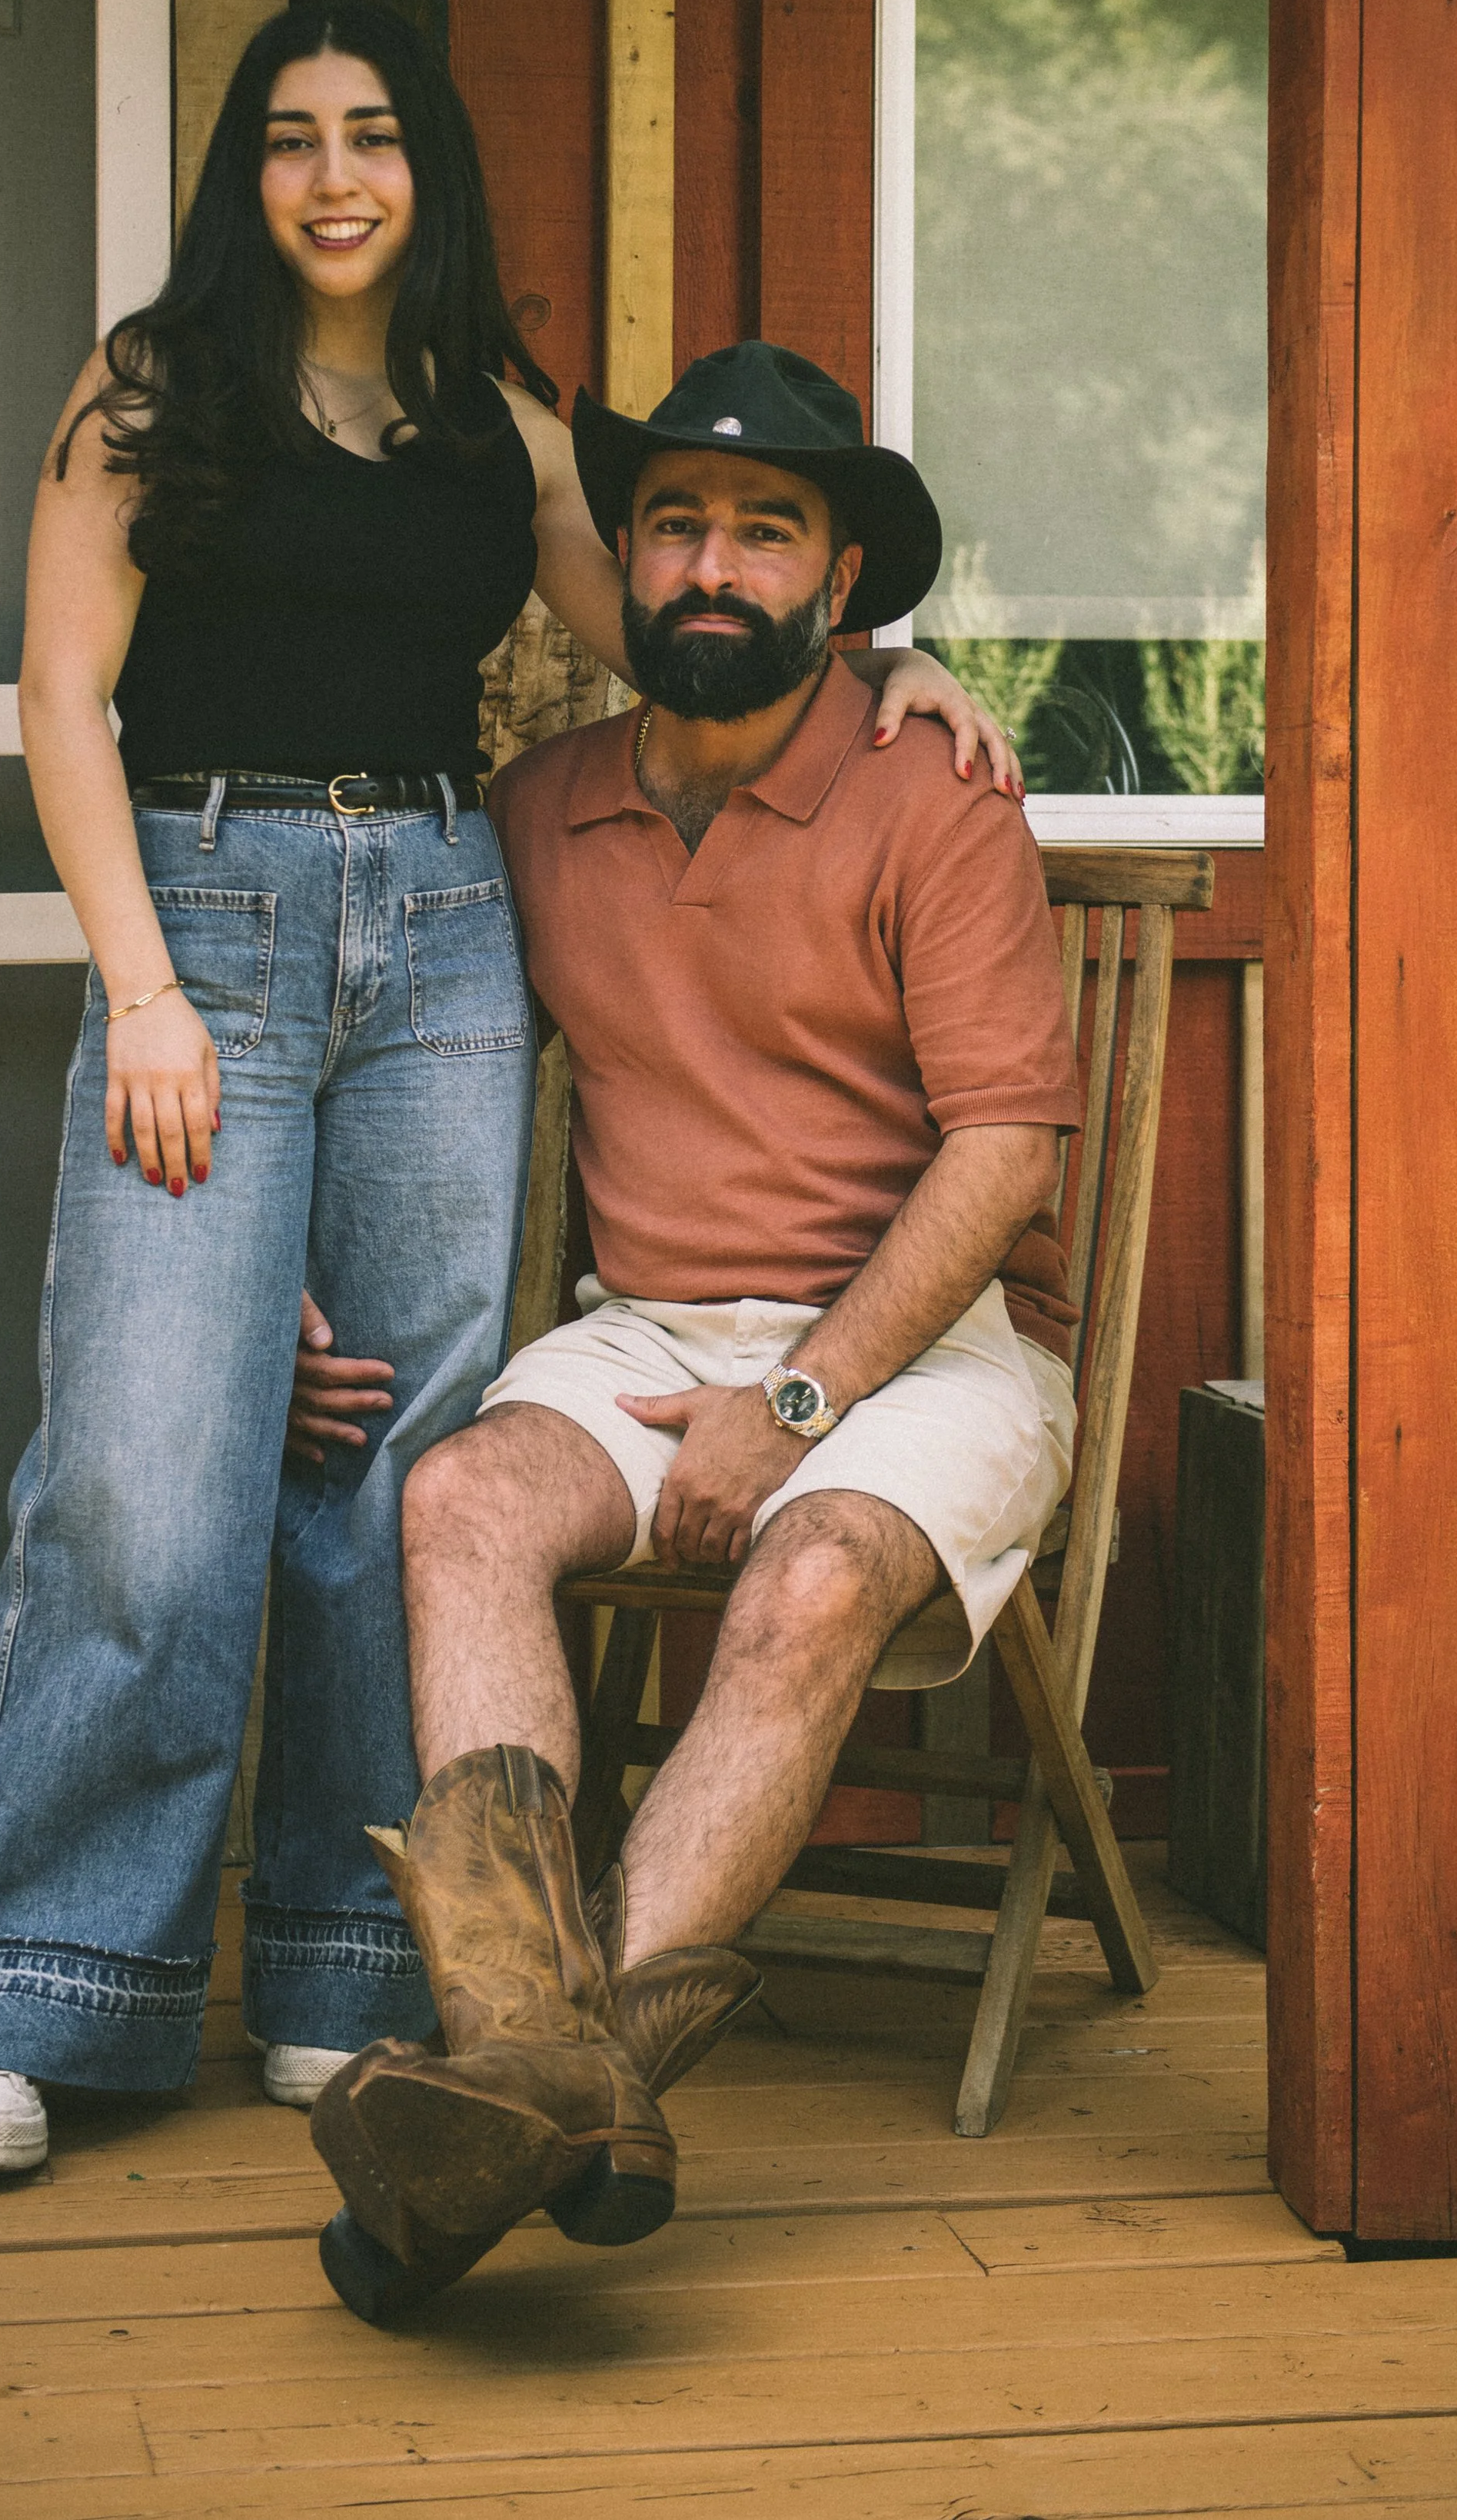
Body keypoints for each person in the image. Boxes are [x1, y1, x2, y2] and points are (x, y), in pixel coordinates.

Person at [0, 7, 1013, 2177]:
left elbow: (695, 639)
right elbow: (58, 692)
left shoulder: (500, 437)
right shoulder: (146, 391)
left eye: (377, 137)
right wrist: (137, 985)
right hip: (201, 926)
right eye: (294, 140)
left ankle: (342, 1967)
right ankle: (33, 1995)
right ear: (247, 173)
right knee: (141, 1470)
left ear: (431, 172)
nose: (336, 177)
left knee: (390, 1456)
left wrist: (892, 665)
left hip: (431, 920)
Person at [307, 342, 1083, 2323]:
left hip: (932, 1348)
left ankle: (528, 2096)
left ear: (838, 588)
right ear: (624, 565)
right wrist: (280, 1267)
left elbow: (1002, 1158)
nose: (712, 569)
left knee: (816, 1578)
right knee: (462, 1496)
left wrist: (800, 1398)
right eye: (676, 527)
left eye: (767, 533)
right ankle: (554, 2076)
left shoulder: (936, 797)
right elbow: (376, 1048)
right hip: (646, 1326)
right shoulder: (536, 810)